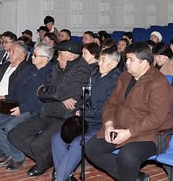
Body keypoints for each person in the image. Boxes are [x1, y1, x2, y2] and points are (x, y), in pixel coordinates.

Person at [85, 42, 173, 181]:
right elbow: (111, 103)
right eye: (126, 59)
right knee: (92, 148)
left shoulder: (158, 83)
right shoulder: (125, 77)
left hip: (150, 134)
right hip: (121, 127)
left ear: (144, 62)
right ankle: (135, 177)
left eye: (131, 60)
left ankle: (130, 176)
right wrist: (109, 124)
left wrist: (129, 132)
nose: (126, 63)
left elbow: (156, 118)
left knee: (127, 155)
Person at [8, 39, 91, 177]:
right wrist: (59, 96)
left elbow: (58, 92)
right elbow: (40, 92)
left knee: (37, 144)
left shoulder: (82, 70)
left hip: (64, 116)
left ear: (71, 56)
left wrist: (54, 93)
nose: (57, 58)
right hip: (46, 112)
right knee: (14, 135)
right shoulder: (57, 66)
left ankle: (42, 164)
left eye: (60, 54)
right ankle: (48, 160)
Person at [51, 46, 121, 181]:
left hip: (101, 123)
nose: (99, 63)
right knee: (57, 138)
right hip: (85, 119)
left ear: (114, 63)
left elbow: (106, 109)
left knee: (78, 143)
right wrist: (78, 108)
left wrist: (83, 111)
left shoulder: (117, 81)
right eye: (99, 59)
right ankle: (66, 176)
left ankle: (59, 177)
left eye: (103, 60)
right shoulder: (95, 75)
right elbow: (83, 96)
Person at [0, 43, 54, 171]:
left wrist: (22, 109)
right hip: (16, 104)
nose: (32, 57)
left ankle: (17, 157)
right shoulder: (29, 69)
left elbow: (42, 101)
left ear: (45, 58)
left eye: (35, 55)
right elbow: (15, 89)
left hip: (33, 110)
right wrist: (5, 98)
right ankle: (9, 153)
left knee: (10, 128)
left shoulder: (50, 75)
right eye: (33, 54)